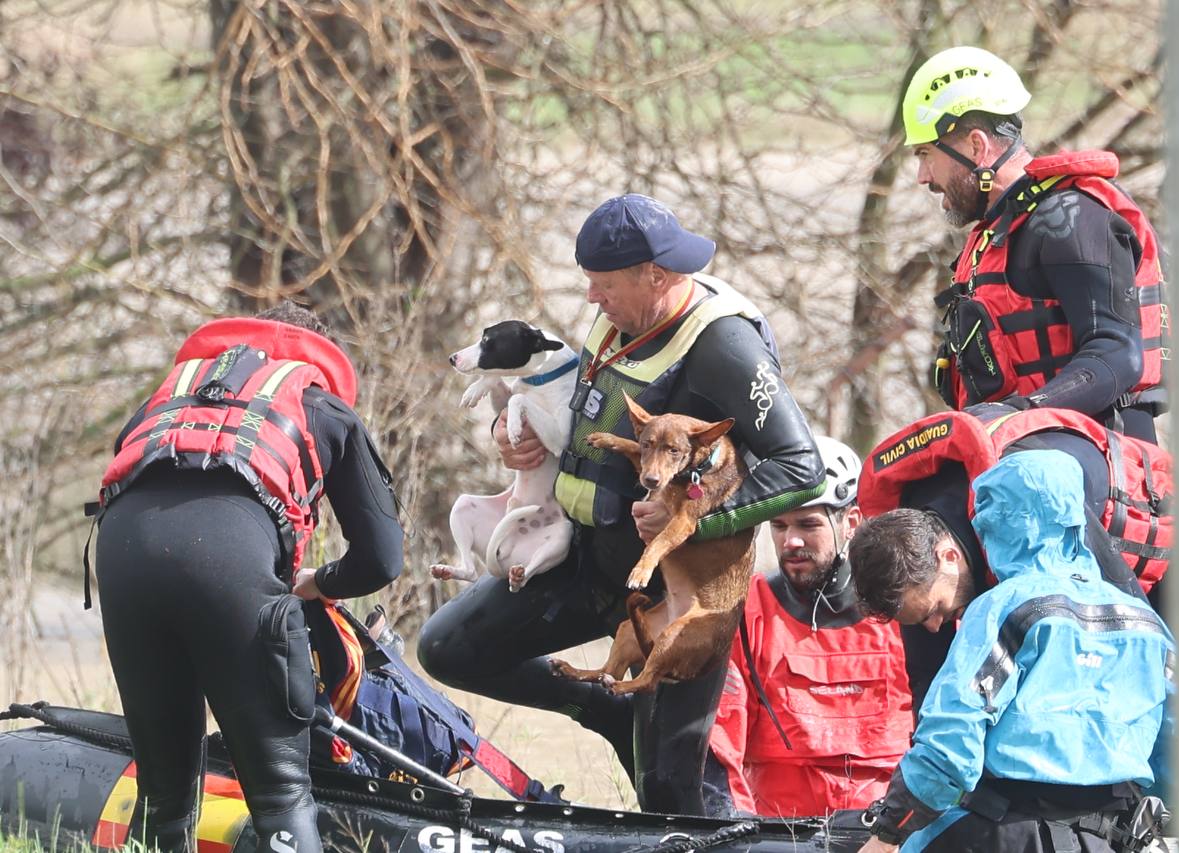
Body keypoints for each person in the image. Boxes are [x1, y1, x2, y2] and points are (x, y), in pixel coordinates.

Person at [417, 193, 825, 816]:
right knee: (448, 649)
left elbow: (801, 469)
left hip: (678, 593)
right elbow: (576, 406)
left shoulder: (724, 345)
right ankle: (605, 708)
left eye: (602, 284)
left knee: (665, 795)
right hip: (589, 561)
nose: (589, 298)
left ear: (654, 276)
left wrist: (692, 514)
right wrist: (513, 432)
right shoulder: (623, 316)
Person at [93, 303, 404, 853]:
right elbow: (381, 559)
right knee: (280, 793)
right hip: (227, 569)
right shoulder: (321, 404)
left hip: (123, 559)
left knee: (164, 792)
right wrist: (321, 581)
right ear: (317, 355)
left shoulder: (170, 395)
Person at [854, 450, 1174, 852]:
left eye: (932, 610)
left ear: (992, 524)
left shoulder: (1005, 607)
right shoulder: (1146, 623)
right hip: (1110, 839)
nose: (935, 627)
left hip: (1008, 833)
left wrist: (889, 830)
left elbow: (950, 742)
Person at [903, 45, 1170, 443]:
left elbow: (1117, 354)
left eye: (926, 154)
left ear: (976, 146)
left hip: (1095, 467)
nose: (923, 176)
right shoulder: (1001, 232)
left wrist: (1018, 415)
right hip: (1023, 458)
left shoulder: (1068, 219)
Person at [851, 402, 1172, 711]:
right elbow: (927, 678)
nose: (934, 626)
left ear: (947, 555)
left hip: (1161, 550)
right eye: (922, 619)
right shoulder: (912, 567)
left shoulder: (1027, 507)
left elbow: (1131, 617)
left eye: (933, 611)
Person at [704, 436, 913, 818]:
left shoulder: (905, 610)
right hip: (781, 831)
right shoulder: (747, 612)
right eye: (779, 526)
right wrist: (739, 830)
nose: (791, 541)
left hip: (888, 829)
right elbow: (720, 738)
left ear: (851, 522)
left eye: (808, 524)